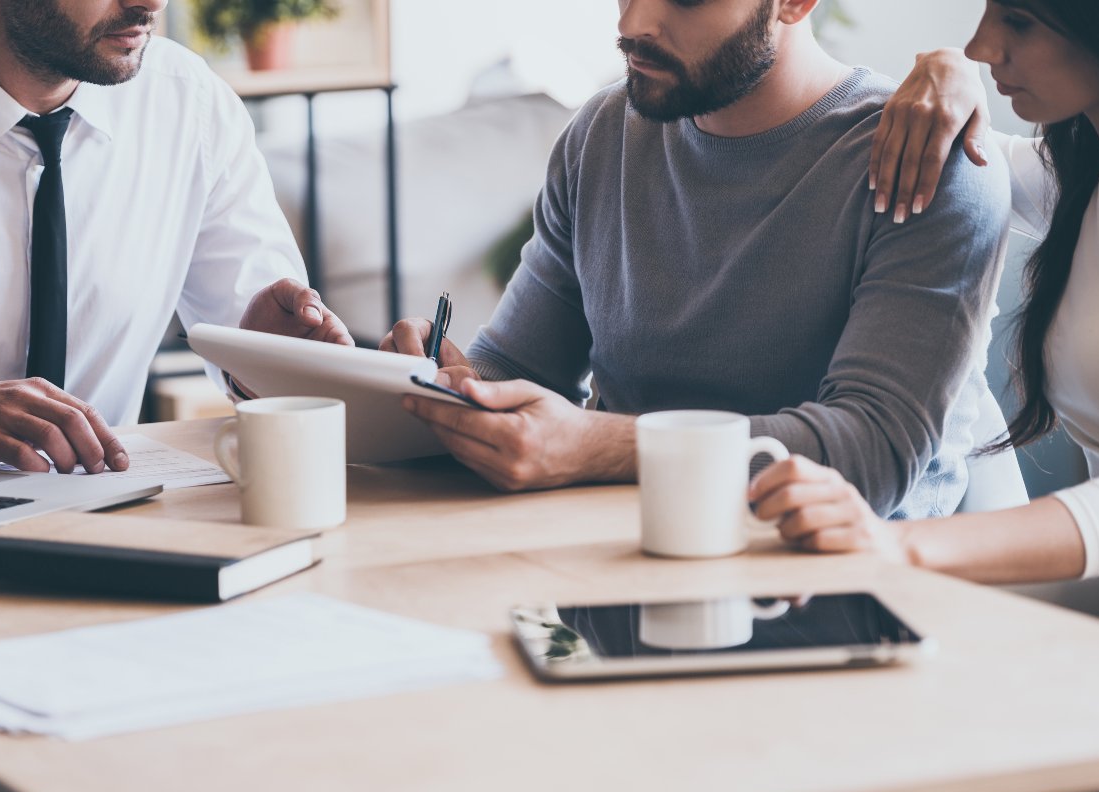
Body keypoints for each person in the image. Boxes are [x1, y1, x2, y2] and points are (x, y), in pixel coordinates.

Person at [381, 0, 1010, 522]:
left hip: (842, 597)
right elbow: (520, 367)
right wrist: (443, 384)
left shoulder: (924, 162)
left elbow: (871, 453)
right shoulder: (602, 133)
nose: (632, 23)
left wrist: (598, 447)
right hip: (614, 570)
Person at [748, 1, 1099, 595]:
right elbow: (958, 154)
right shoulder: (1087, 177)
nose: (982, 46)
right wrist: (946, 69)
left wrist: (894, 543)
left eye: (1019, 21)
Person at [0, 0, 352, 475]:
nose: (150, 3)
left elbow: (263, 344)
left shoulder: (189, 103)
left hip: (115, 518)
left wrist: (275, 360)